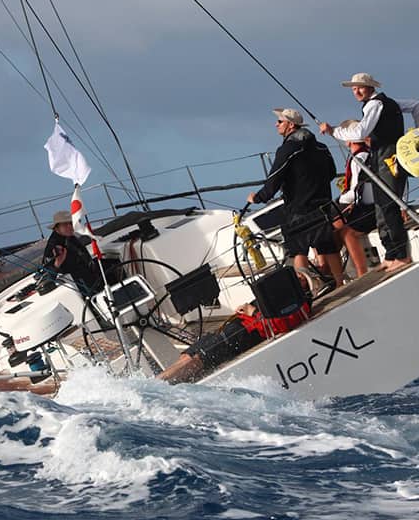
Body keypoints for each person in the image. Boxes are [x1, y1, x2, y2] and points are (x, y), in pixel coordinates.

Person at [319, 73, 419, 272]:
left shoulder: (374, 105)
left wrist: (334, 131)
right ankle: (391, 255)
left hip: (387, 157)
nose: (356, 92)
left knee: (388, 205)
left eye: (360, 87)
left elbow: (361, 132)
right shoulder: (389, 103)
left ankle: (402, 255)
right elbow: (416, 105)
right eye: (353, 89)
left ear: (370, 87)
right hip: (383, 156)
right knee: (380, 206)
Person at [247, 108, 344, 288]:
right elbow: (331, 172)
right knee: (327, 245)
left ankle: (308, 290)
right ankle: (340, 283)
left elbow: (274, 179)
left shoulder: (288, 149)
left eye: (280, 122)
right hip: (322, 204)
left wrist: (258, 197)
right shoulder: (321, 148)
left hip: (299, 207)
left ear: (291, 125)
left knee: (299, 250)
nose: (276, 124)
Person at [159, 284, 312, 384]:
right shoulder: (278, 294)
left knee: (197, 360)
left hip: (242, 333)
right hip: (232, 327)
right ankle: (158, 383)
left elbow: (279, 326)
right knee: (187, 356)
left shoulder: (300, 305)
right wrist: (246, 308)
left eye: (302, 277)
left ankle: (158, 386)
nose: (298, 277)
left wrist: (253, 311)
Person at [332, 120, 377, 277]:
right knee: (332, 227)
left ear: (350, 140)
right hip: (366, 203)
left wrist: (340, 200)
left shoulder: (359, 159)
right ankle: (336, 271)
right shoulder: (365, 155)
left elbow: (357, 189)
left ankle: (360, 272)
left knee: (345, 232)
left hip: (369, 207)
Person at [41, 210, 101, 294]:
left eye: (71, 223)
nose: (70, 226)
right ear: (56, 228)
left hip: (90, 281)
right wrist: (57, 263)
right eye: (65, 224)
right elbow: (45, 275)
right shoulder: (53, 246)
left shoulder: (69, 237)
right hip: (81, 289)